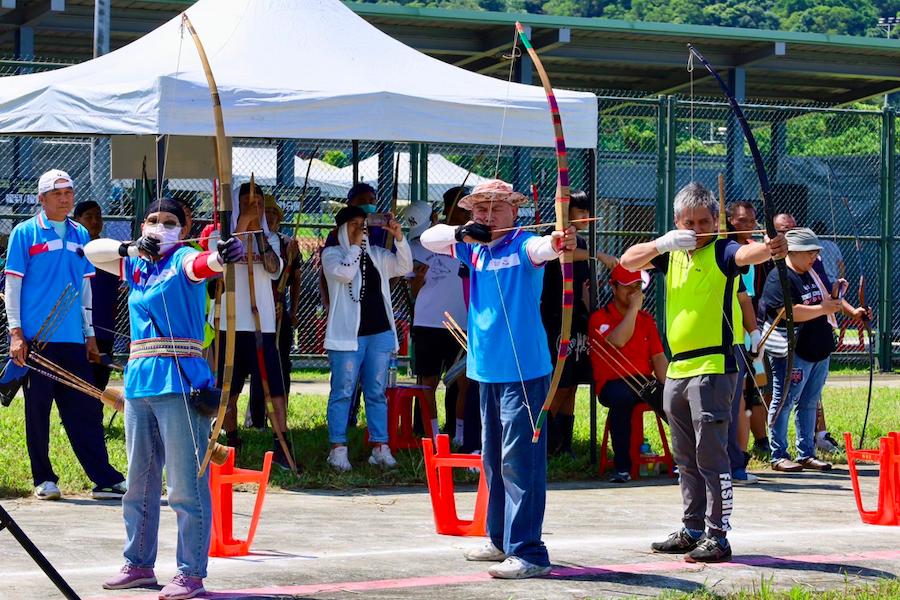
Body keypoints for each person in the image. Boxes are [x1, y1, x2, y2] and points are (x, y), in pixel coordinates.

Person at [620, 182, 787, 563]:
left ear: (716, 222)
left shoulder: (724, 250)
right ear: (677, 223)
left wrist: (773, 246)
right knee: (685, 457)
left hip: (714, 366)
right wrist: (664, 244)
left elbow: (750, 253)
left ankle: (718, 534)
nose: (696, 230)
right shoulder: (672, 252)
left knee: (711, 455)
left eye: (703, 222)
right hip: (678, 369)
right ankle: (692, 527)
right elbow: (628, 261)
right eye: (688, 222)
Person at [87, 198, 244, 600]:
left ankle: (191, 572)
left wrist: (222, 254)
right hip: (140, 382)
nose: (160, 226)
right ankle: (138, 564)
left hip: (180, 382)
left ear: (185, 227)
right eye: (153, 220)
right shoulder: (137, 263)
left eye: (170, 221)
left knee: (185, 485)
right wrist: (131, 248)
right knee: (138, 482)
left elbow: (204, 265)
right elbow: (91, 251)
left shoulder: (185, 259)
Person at [421, 179, 577, 579]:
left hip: (523, 371)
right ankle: (500, 540)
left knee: (519, 459)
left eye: (496, 209)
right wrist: (460, 230)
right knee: (492, 458)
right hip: (485, 370)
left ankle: (530, 551)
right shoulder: (472, 248)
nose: (487, 216)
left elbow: (543, 248)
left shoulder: (524, 245)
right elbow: (427, 238)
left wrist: (558, 242)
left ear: (514, 212)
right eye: (480, 210)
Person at [5, 170, 125, 501]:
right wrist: (16, 333)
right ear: (41, 199)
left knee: (85, 407)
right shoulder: (25, 233)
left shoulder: (81, 234)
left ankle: (104, 479)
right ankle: (43, 478)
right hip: (35, 339)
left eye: (69, 191)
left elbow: (85, 288)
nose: (64, 198)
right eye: (56, 193)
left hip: (72, 338)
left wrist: (89, 335)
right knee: (38, 410)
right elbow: (12, 285)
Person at [761, 228, 868, 473]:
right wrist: (822, 308)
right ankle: (778, 455)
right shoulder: (780, 277)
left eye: (815, 253)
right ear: (792, 251)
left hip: (819, 348)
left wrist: (854, 312)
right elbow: (786, 312)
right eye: (809, 253)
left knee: (809, 402)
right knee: (785, 400)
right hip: (794, 350)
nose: (814, 257)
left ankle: (806, 453)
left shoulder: (813, 271)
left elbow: (831, 300)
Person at [212, 182, 296, 471]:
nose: (256, 205)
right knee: (228, 388)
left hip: (263, 326)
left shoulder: (270, 238)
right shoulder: (219, 237)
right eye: (248, 201)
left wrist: (257, 232)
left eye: (259, 201)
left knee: (273, 386)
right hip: (230, 325)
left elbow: (274, 270)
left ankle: (281, 443)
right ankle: (231, 437)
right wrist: (243, 222)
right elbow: (217, 263)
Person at [322, 205, 412, 471]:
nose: (360, 229)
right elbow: (345, 273)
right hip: (348, 337)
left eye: (363, 224)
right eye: (353, 224)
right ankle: (338, 448)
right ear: (340, 229)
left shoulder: (376, 254)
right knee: (343, 391)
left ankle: (380, 446)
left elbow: (404, 266)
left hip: (380, 333)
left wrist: (398, 237)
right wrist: (355, 246)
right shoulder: (332, 254)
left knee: (376, 391)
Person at [588, 265, 667, 482]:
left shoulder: (647, 319)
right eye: (627, 287)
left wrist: (671, 387)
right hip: (612, 383)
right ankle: (622, 467)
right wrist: (633, 309)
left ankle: (687, 461)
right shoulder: (599, 318)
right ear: (613, 288)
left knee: (675, 402)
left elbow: (658, 357)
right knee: (621, 400)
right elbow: (618, 340)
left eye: (638, 287)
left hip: (644, 380)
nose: (634, 292)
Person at [406, 200, 467, 443]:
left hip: (462, 323)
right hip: (428, 322)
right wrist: (418, 279)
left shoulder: (469, 242)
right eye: (462, 208)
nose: (467, 213)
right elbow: (413, 291)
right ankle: (430, 435)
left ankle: (460, 435)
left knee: (463, 381)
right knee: (427, 381)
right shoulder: (417, 244)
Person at [539, 189, 594, 458]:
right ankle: (549, 439)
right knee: (559, 383)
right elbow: (565, 255)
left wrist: (590, 313)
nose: (586, 217)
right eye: (580, 212)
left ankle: (565, 443)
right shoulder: (553, 238)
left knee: (573, 383)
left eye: (587, 212)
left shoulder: (582, 241)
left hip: (577, 320)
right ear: (565, 213)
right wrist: (598, 255)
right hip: (555, 317)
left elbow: (583, 285)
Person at [724, 201, 770, 462]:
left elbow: (747, 299)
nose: (750, 225)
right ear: (729, 220)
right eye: (743, 220)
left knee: (758, 385)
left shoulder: (751, 250)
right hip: (732, 333)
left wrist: (754, 333)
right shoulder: (728, 250)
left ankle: (760, 442)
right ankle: (737, 453)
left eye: (753, 220)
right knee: (737, 395)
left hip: (749, 328)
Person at [73, 200, 120, 391]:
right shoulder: (73, 250)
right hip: (77, 327)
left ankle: (95, 418)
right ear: (76, 220)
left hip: (104, 327)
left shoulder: (110, 250)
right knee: (78, 375)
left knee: (100, 377)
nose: (94, 221)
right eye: (88, 217)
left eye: (98, 216)